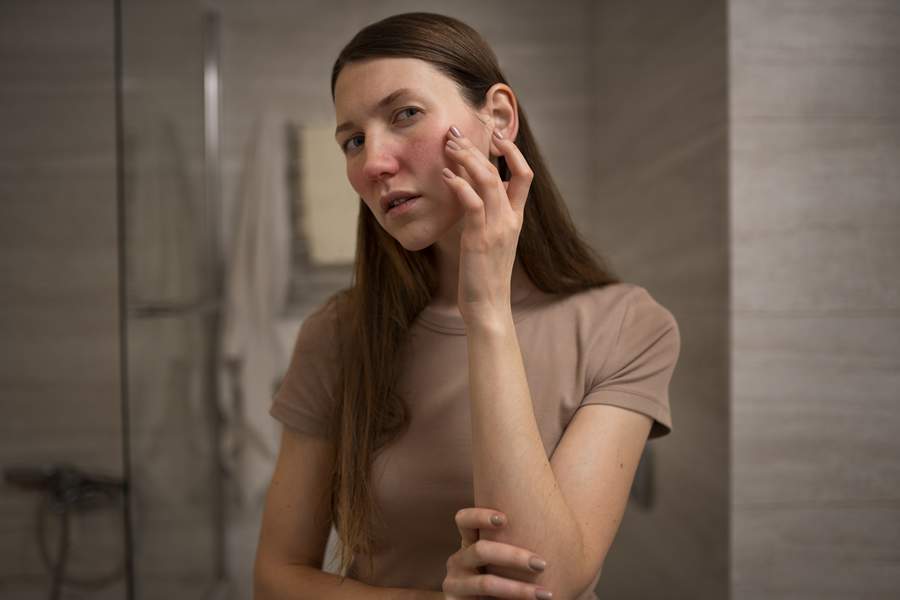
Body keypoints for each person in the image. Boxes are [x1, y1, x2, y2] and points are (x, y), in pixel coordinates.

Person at [254, 11, 681, 600]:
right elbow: (275, 578)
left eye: (405, 114)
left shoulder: (626, 326)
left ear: (498, 118)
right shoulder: (339, 333)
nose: (373, 163)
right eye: (353, 140)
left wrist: (487, 312)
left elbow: (546, 582)